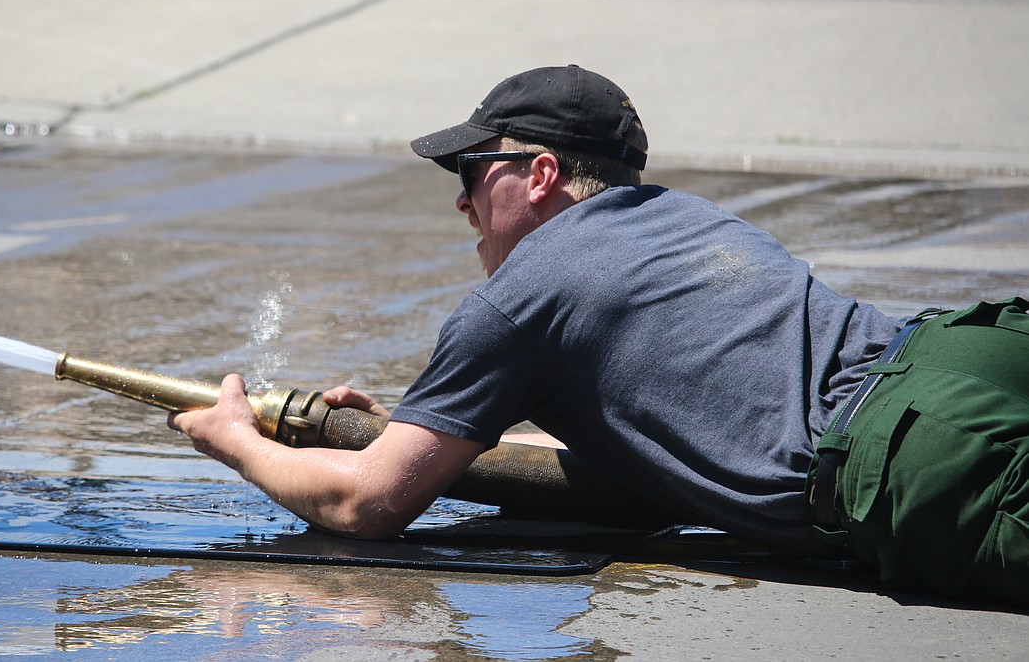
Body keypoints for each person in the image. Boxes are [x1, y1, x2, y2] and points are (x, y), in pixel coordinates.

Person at [169, 65, 1028, 608]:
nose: (461, 202)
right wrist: (416, 427)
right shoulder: (686, 220)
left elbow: (367, 505)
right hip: (970, 352)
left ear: (540, 174)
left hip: (919, 454)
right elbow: (656, 429)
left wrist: (238, 441)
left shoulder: (520, 295)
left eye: (472, 174)